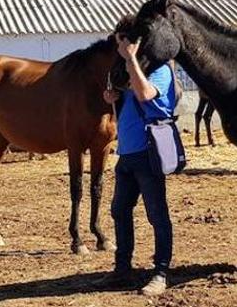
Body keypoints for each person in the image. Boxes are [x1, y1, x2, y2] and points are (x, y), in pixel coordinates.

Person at [101, 34, 176, 296]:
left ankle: (161, 272)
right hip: (128, 154)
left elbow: (145, 94)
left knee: (157, 215)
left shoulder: (161, 71)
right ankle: (123, 270)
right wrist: (114, 97)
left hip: (148, 153)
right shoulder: (133, 73)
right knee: (120, 210)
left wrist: (131, 58)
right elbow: (129, 101)